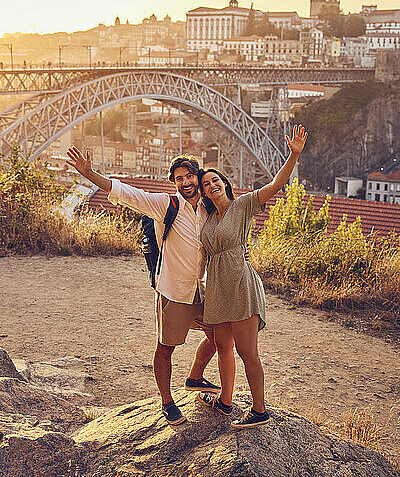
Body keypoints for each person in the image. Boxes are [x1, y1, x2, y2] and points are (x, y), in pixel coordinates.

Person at [66, 148, 220, 425]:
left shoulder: (210, 210)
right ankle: (167, 401)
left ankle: (194, 378)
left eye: (189, 176)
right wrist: (89, 174)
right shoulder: (165, 205)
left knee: (219, 337)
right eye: (178, 179)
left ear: (198, 177)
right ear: (174, 183)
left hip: (204, 290)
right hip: (173, 289)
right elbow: (126, 193)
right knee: (165, 348)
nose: (184, 182)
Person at [196, 124, 308, 429]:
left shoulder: (243, 205)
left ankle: (259, 411)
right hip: (217, 289)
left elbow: (276, 184)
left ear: (224, 183)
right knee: (223, 350)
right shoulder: (207, 218)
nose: (211, 186)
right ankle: (226, 402)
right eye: (205, 184)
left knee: (249, 353)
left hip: (241, 284)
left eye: (214, 180)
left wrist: (293, 155)